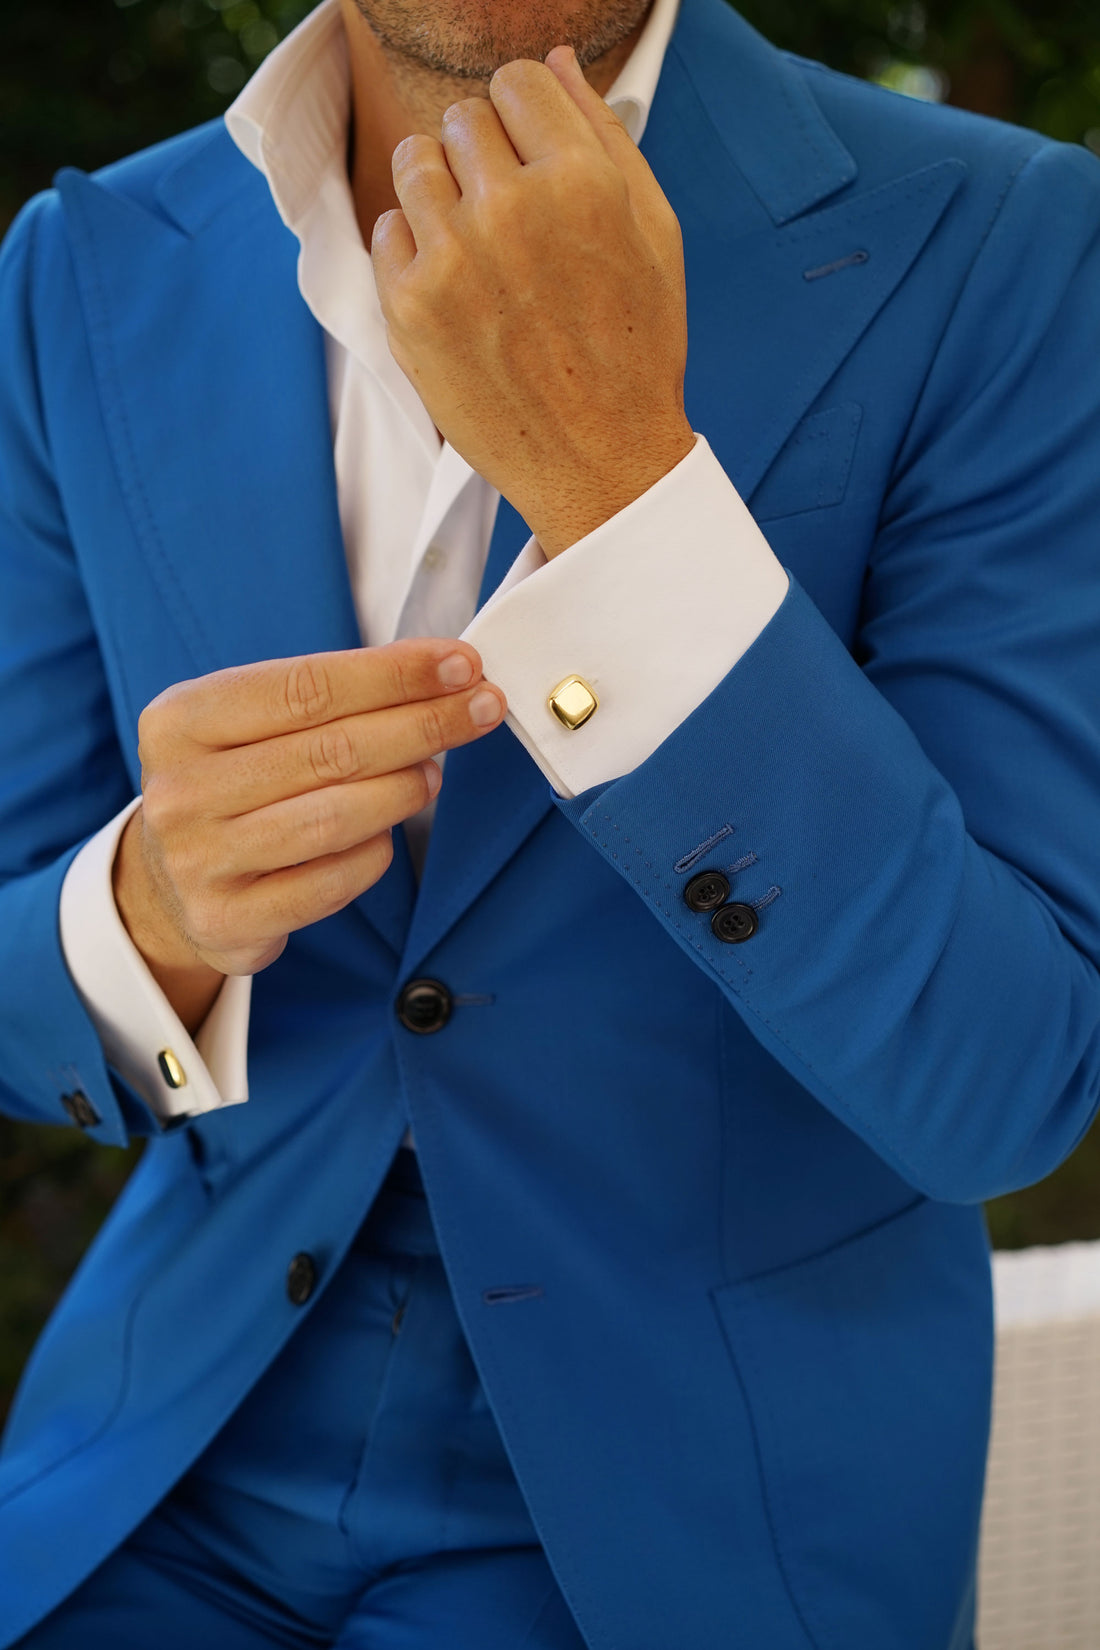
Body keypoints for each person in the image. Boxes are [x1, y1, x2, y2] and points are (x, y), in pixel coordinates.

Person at [1, 0, 1098, 1641]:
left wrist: (621, 491)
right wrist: (144, 912)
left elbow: (1007, 1082)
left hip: (695, 1513)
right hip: (165, 1464)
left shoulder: (1007, 240)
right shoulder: (78, 269)